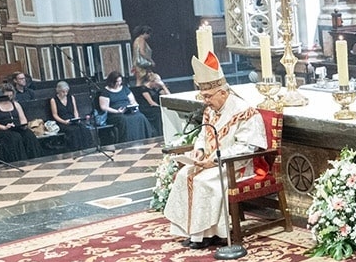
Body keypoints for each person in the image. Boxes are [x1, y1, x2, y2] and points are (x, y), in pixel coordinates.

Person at [164, 51, 268, 248]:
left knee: (204, 182)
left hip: (236, 164)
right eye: (203, 96)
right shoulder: (210, 110)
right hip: (211, 161)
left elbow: (247, 147)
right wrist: (200, 151)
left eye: (208, 96)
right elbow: (203, 135)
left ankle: (214, 234)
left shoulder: (244, 111)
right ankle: (196, 233)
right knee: (184, 175)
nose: (205, 101)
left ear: (223, 92)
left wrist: (215, 160)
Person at [0, 83, 41, 162]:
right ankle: (19, 161)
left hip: (16, 127)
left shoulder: (15, 104)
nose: (9, 97)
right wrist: (4, 127)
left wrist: (23, 125)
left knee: (28, 134)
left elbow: (23, 118)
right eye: (6, 96)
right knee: (14, 137)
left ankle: (35, 159)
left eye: (11, 95)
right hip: (2, 130)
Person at [97, 71, 154, 142]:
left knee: (140, 116)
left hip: (127, 110)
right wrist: (117, 111)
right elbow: (104, 107)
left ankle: (144, 138)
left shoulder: (124, 89)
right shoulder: (105, 92)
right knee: (124, 119)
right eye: (117, 81)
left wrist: (134, 107)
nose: (119, 83)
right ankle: (128, 140)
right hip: (114, 113)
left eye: (120, 81)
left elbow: (132, 100)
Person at [48, 81, 91, 151]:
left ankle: (86, 148)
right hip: (62, 121)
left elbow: (75, 110)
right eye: (63, 92)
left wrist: (77, 118)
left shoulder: (71, 97)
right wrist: (64, 122)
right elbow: (55, 115)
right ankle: (75, 149)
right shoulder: (53, 100)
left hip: (72, 119)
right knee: (73, 130)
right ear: (58, 91)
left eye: (66, 91)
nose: (65, 94)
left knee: (83, 128)